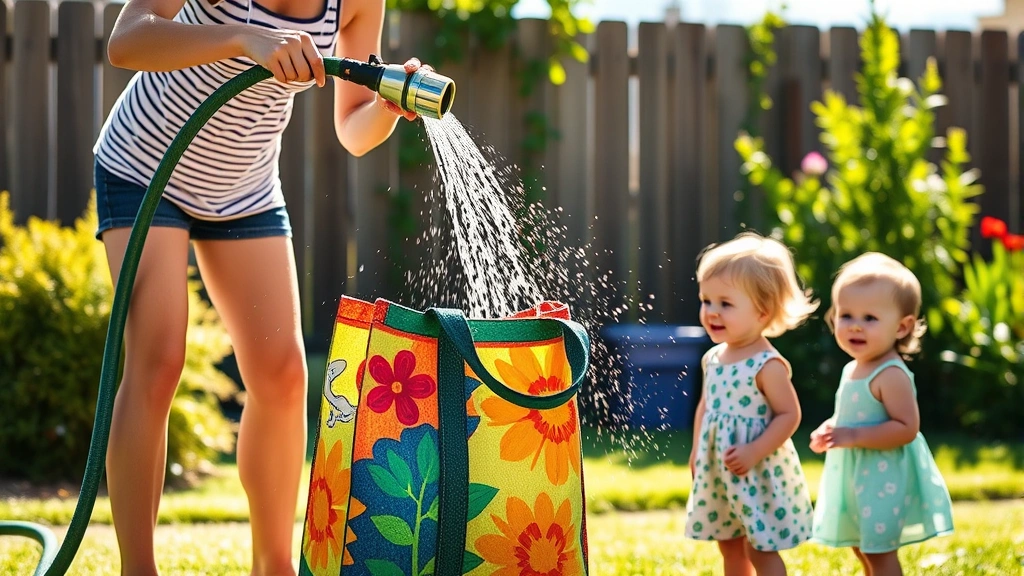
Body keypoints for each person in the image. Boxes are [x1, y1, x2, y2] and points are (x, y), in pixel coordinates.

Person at [94, 0, 425, 572]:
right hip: (145, 167)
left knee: (283, 374)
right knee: (158, 360)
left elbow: (352, 127)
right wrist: (245, 38)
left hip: (243, 186)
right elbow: (126, 42)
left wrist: (388, 110)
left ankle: (274, 565)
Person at [810, 253, 954, 576]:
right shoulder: (853, 368)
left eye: (870, 318)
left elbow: (906, 428)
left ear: (902, 327)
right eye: (846, 315)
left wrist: (852, 436)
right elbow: (850, 415)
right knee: (860, 546)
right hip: (855, 474)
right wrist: (831, 428)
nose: (855, 325)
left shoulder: (890, 374)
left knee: (879, 551)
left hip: (882, 476)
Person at [685, 231, 819, 576]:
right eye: (706, 300)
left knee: (759, 549)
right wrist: (698, 450)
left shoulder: (766, 364)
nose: (711, 312)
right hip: (720, 471)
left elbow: (789, 415)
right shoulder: (713, 358)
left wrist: (755, 450)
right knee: (728, 545)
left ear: (762, 312)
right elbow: (705, 407)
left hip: (756, 471)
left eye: (725, 304)